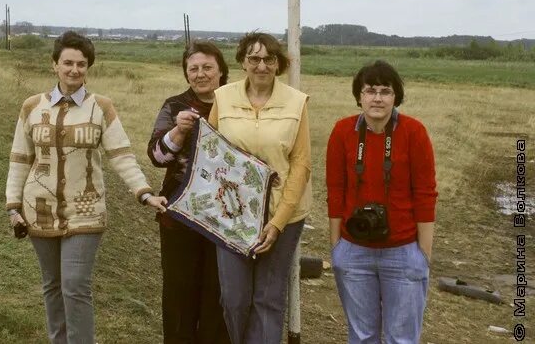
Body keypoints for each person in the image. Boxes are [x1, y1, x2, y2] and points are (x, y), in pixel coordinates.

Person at [5, 31, 167, 344]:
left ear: (88, 67)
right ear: (55, 65)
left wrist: (144, 193)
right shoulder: (31, 107)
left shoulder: (101, 108)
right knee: (52, 285)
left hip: (86, 211)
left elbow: (122, 157)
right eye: (68, 63)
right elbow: (19, 160)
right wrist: (13, 206)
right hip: (38, 210)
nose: (74, 70)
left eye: (81, 64)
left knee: (75, 285)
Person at [207, 32, 311, 344]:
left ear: (278, 63)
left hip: (282, 215)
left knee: (268, 299)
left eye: (269, 59)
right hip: (232, 213)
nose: (261, 65)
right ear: (243, 62)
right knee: (234, 298)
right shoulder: (223, 97)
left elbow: (301, 164)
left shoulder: (296, 102)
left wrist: (277, 223)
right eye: (254, 58)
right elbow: (210, 151)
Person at [326, 60, 437, 344]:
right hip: (354, 252)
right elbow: (335, 191)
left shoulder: (414, 132)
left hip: (402, 250)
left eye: (385, 91)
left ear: (395, 96)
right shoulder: (342, 132)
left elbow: (425, 193)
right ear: (359, 95)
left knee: (401, 339)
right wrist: (337, 247)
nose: (377, 98)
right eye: (370, 90)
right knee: (362, 337)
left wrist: (423, 253)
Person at [147, 40, 231, 344]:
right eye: (193, 68)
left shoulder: (237, 104)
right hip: (179, 215)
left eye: (207, 67)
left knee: (218, 294)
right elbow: (156, 157)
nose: (200, 74)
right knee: (179, 292)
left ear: (221, 70)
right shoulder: (175, 105)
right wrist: (178, 131)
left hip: (226, 218)